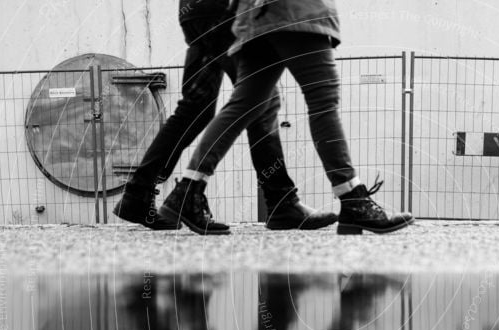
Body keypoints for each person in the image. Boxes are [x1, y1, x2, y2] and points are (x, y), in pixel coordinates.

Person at [160, 0, 415, 235]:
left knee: (245, 103)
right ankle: (353, 199)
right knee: (322, 100)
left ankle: (188, 188)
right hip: (296, 12)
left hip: (253, 20)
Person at [113, 0, 336, 233]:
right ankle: (281, 202)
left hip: (195, 14)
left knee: (196, 106)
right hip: (223, 11)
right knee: (263, 97)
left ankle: (137, 194)